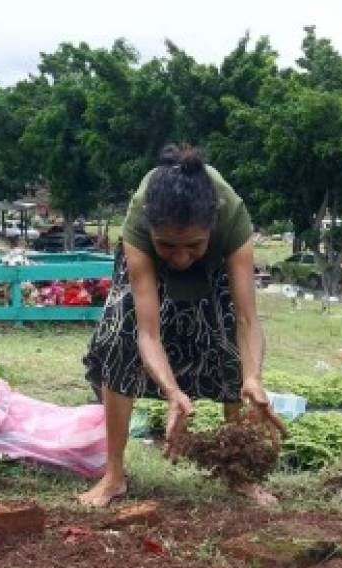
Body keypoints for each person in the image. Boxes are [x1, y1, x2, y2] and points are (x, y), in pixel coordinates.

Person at [81, 144, 286, 508]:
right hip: (147, 278)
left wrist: (252, 377)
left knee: (226, 339)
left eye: (192, 244)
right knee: (117, 334)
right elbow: (148, 332)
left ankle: (238, 475)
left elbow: (246, 318)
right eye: (168, 245)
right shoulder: (140, 218)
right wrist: (171, 390)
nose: (179, 257)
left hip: (215, 267)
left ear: (211, 226)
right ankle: (113, 475)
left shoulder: (232, 214)